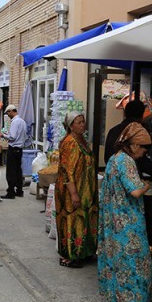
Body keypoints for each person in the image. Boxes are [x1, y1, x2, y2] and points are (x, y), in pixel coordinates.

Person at [98, 122, 152, 302]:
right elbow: (135, 191)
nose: (144, 154)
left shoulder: (113, 159)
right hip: (128, 224)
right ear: (135, 145)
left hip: (112, 223)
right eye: (144, 149)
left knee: (116, 262)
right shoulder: (127, 161)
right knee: (136, 264)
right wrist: (146, 185)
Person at [55, 111, 98, 268]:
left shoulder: (82, 140)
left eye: (83, 121)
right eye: (79, 122)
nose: (82, 124)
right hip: (72, 191)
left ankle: (85, 252)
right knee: (72, 220)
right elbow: (68, 171)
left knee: (86, 219)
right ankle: (71, 255)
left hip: (86, 189)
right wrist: (74, 194)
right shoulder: (70, 142)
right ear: (71, 125)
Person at [104, 99, 152, 180]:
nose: (142, 153)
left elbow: (107, 157)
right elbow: (141, 161)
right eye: (142, 150)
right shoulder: (137, 133)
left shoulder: (113, 130)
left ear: (125, 113)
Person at [0, 104, 27, 199]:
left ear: (12, 111)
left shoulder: (15, 122)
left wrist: (3, 135)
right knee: (18, 171)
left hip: (13, 148)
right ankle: (19, 190)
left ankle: (10, 192)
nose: (7, 114)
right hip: (19, 149)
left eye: (8, 112)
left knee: (11, 171)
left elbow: (12, 136)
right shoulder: (22, 121)